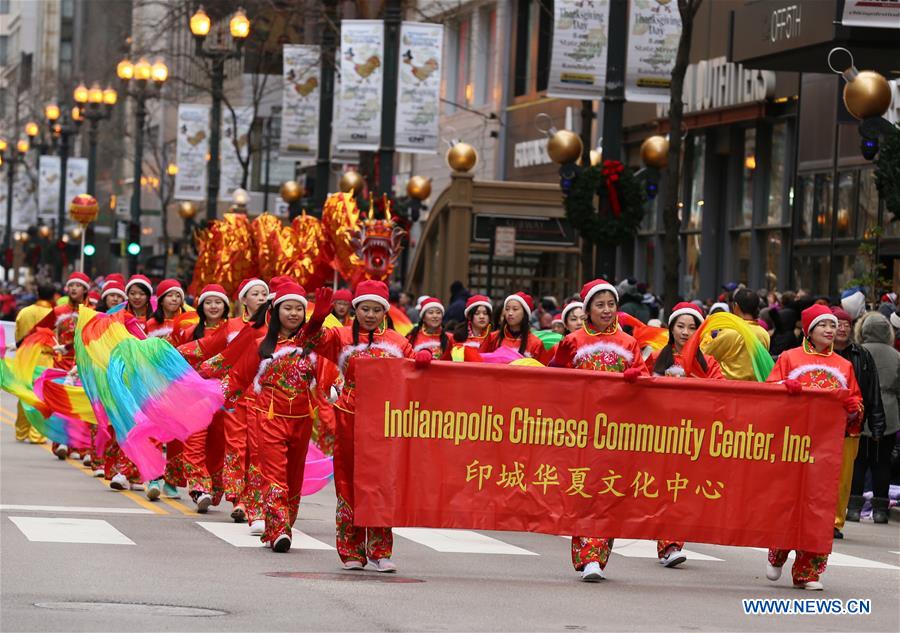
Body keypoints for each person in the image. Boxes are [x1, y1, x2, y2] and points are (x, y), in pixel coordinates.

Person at [303, 281, 418, 571]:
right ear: (356, 309)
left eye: (376, 309)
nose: (369, 314)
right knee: (348, 483)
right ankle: (352, 550)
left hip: (383, 422)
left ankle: (380, 551)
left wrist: (424, 361)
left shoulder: (397, 342)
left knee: (381, 485)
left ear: (384, 311)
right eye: (364, 308)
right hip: (349, 417)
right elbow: (310, 342)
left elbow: (416, 373)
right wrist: (317, 318)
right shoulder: (341, 336)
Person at [551, 279, 650, 581]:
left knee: (608, 492)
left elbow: (646, 382)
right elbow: (554, 379)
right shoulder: (573, 341)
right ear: (587, 310)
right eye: (600, 305)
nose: (607, 310)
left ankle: (597, 557)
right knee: (585, 492)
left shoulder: (629, 343)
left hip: (617, 432)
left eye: (611, 304)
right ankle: (587, 557)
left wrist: (636, 377)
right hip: (581, 430)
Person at [220, 281, 326, 552]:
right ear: (275, 311)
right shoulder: (261, 344)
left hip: (303, 419)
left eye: (298, 309)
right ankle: (279, 530)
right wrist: (215, 395)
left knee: (293, 477)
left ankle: (283, 523)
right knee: (275, 474)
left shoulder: (313, 345)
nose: (293, 314)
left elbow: (329, 372)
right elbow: (238, 376)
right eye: (287, 308)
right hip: (269, 418)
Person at [765, 305, 863, 591]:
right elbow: (770, 393)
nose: (830, 330)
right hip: (792, 445)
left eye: (833, 326)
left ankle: (808, 572)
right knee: (788, 502)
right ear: (809, 330)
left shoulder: (844, 366)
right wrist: (786, 389)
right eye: (823, 326)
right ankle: (778, 551)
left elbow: (855, 401)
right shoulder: (789, 358)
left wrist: (853, 408)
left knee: (819, 509)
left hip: (826, 448)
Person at [831, 307, 885, 538]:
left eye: (846, 324)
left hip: (850, 426)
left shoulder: (862, 355)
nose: (842, 329)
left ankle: (835, 522)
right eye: (836, 324)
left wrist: (877, 424)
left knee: (844, 477)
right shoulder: (821, 353)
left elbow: (873, 392)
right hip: (820, 426)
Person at [179, 284, 230, 513]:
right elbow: (177, 358)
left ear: (226, 306)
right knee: (194, 442)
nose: (213, 306)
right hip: (194, 396)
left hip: (224, 396)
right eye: (208, 302)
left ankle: (215, 487)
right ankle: (199, 488)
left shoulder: (233, 331)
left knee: (218, 446)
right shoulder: (190, 332)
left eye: (218, 302)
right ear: (200, 306)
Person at [849, 312, 898, 525]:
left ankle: (853, 507)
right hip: (889, 413)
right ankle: (880, 510)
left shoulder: (858, 352)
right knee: (882, 463)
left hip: (861, 409)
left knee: (858, 462)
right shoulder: (896, 356)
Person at [144, 279, 188, 501]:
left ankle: (172, 480)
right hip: (155, 383)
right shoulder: (151, 324)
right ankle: (153, 477)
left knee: (176, 434)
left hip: (180, 385)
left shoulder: (189, 321)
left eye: (177, 295)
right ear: (160, 299)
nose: (174, 299)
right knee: (154, 430)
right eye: (169, 295)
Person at [12, 284, 54, 444]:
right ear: (53, 296)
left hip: (25, 356)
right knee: (40, 396)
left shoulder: (24, 312)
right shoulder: (53, 313)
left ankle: (21, 432)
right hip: (44, 358)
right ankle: (36, 434)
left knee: (24, 394)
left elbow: (18, 335)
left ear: (37, 292)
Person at [701, 287, 770, 381]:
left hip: (728, 389)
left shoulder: (728, 333)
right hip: (755, 389)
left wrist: (706, 333)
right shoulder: (764, 334)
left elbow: (705, 355)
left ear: (736, 306)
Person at [646, 302, 723, 380]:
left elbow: (720, 388)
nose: (685, 332)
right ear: (671, 329)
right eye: (680, 326)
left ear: (699, 332)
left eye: (692, 328)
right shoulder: (655, 358)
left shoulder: (709, 363)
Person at [481, 292, 552, 364]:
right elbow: (480, 362)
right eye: (507, 309)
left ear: (525, 313)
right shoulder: (492, 338)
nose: (510, 313)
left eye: (515, 309)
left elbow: (542, 370)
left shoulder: (536, 343)